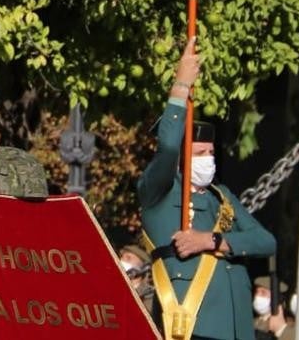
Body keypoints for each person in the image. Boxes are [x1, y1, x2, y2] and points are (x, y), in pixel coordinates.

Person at [138, 36, 277, 340]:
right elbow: (169, 146)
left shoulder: (221, 196)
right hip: (192, 326)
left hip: (237, 329)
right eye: (200, 154)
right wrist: (181, 85)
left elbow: (265, 241)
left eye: (210, 153)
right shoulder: (158, 192)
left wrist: (212, 240)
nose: (208, 160)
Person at [119, 243, 155, 310]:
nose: (122, 261)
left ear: (145, 267)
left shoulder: (149, 295)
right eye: (122, 257)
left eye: (128, 258)